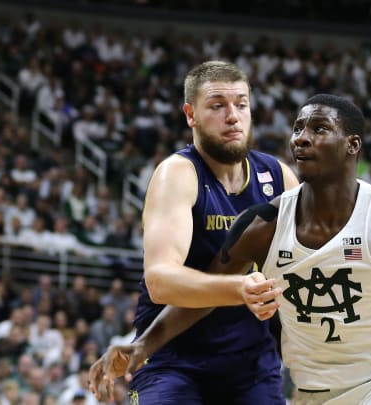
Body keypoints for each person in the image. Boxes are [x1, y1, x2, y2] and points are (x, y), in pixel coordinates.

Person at [89, 95, 371, 404]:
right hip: (312, 393)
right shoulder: (264, 225)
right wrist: (142, 345)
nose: (301, 138)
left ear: (352, 145)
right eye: (298, 128)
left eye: (318, 128)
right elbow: (204, 298)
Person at [114, 60, 299, 404]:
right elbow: (160, 280)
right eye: (217, 106)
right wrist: (239, 287)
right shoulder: (178, 174)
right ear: (190, 114)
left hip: (251, 366)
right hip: (174, 359)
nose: (233, 116)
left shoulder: (279, 178)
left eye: (241, 105)